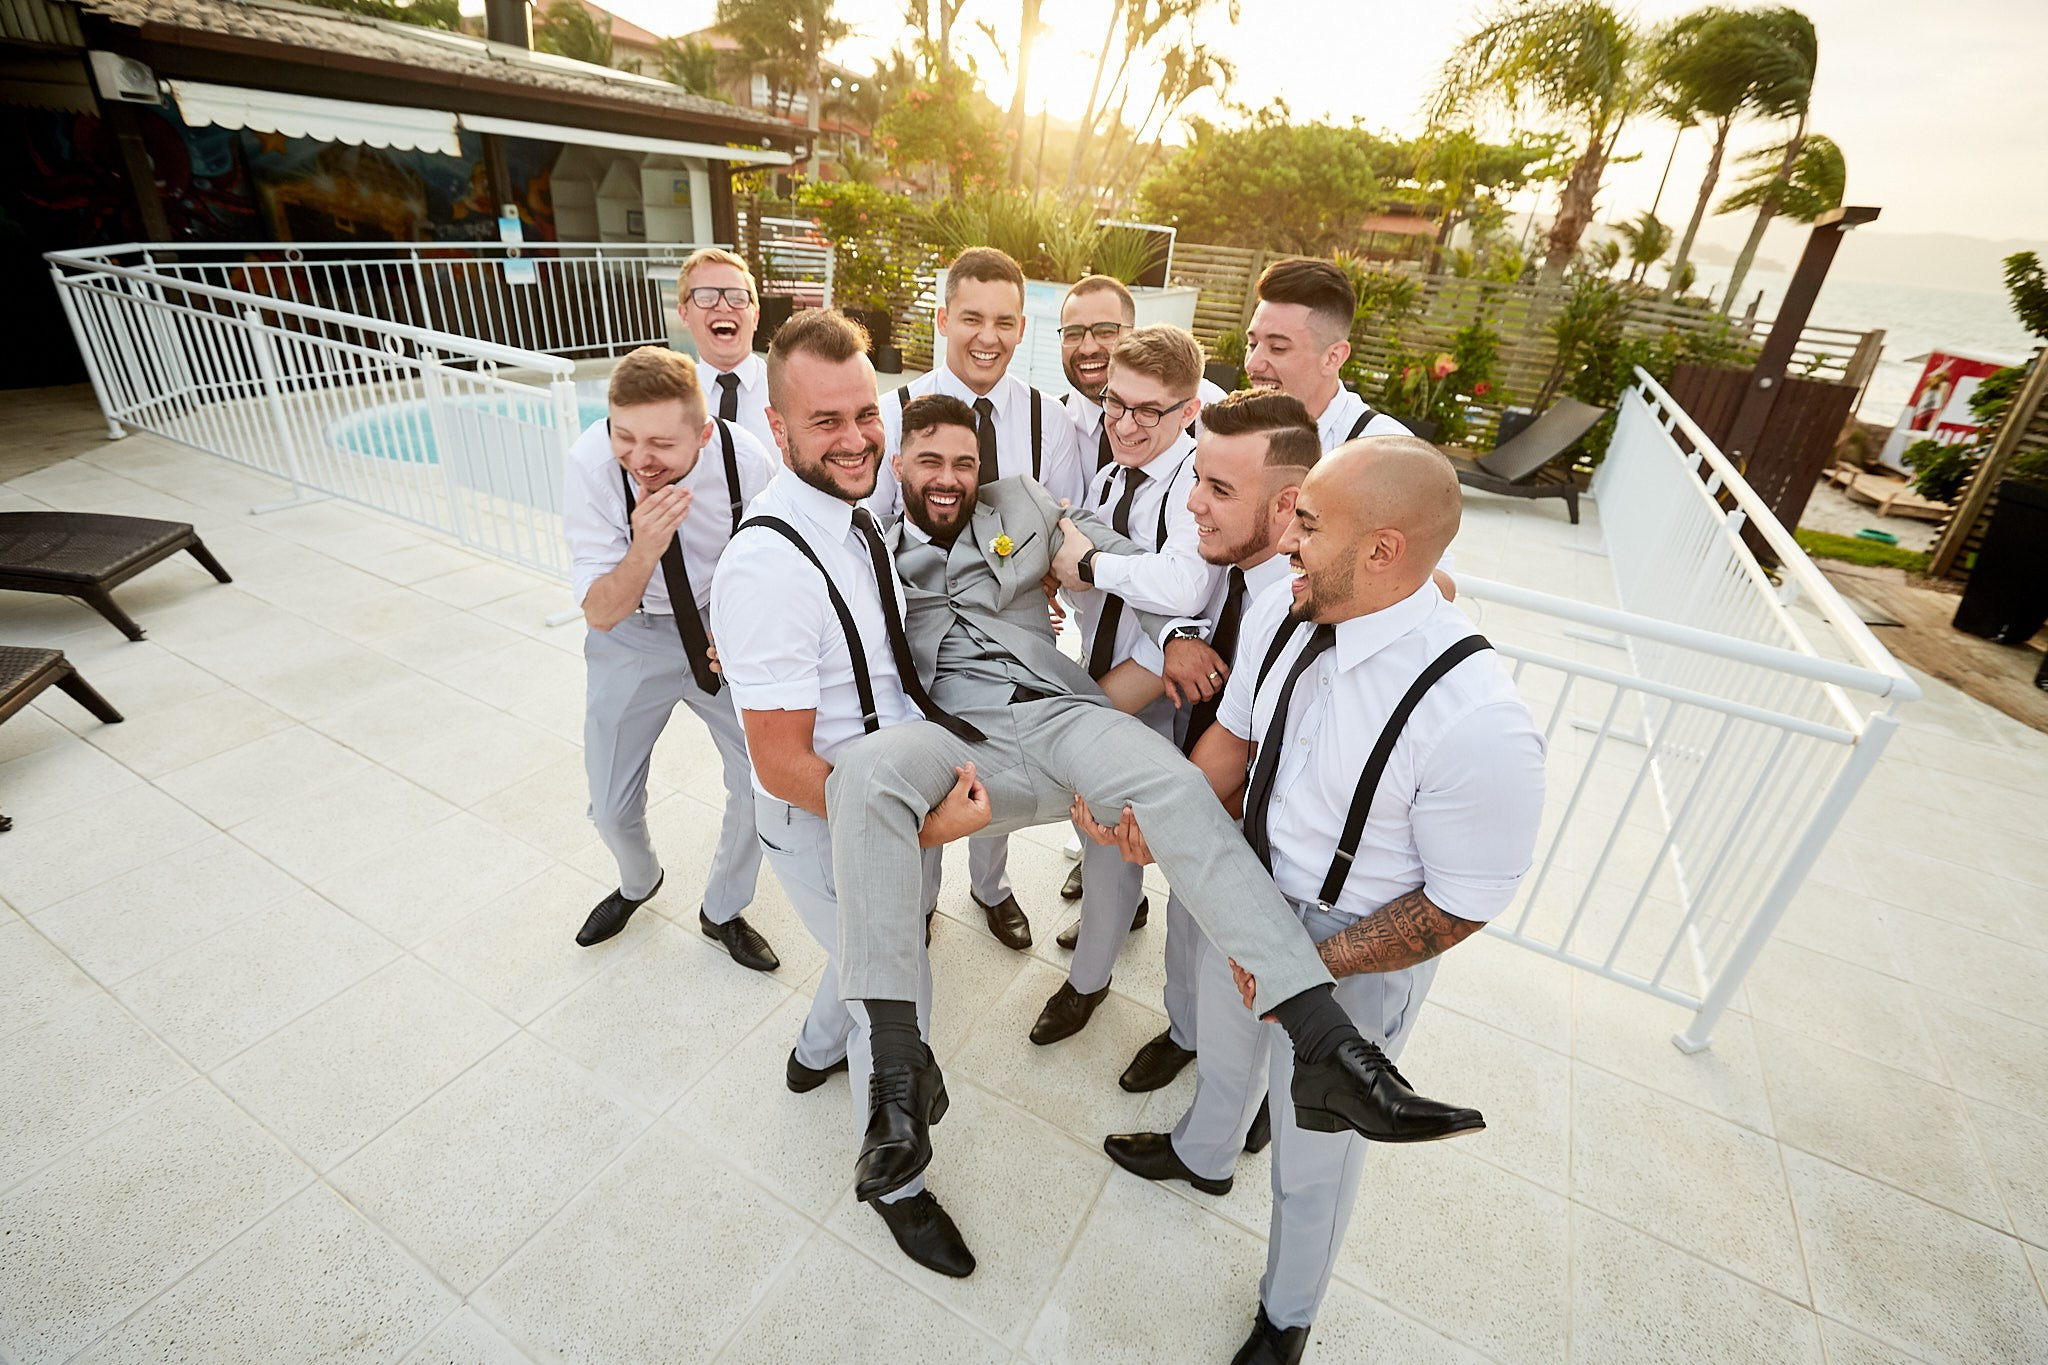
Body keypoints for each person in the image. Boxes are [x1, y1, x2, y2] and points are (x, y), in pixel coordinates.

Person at [780, 310, 1485, 1215]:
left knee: (1178, 783)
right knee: (867, 774)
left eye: (963, 462)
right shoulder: (865, 544)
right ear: (901, 465)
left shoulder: (1030, 507)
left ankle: (1324, 1041)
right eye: (928, 461)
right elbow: (826, 632)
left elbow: (1159, 568)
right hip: (959, 736)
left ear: (983, 466)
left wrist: (1184, 632)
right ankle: (897, 1081)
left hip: (1065, 711)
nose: (947, 478)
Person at [1082, 436, 1546, 1365]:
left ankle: (1288, 1313)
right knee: (1224, 1053)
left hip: (1359, 955)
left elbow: (1456, 908)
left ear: (1383, 550)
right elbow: (1233, 745)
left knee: (1315, 1152)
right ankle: (1205, 1155)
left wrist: (1303, 969)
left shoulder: (1481, 722)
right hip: (1244, 888)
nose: (1286, 535)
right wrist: (1160, 814)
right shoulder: (1285, 615)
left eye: (1311, 522)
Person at [710, 311, 989, 1279]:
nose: (856, 438)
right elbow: (783, 761)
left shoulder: (860, 512)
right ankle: (898, 1180)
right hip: (829, 814)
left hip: (892, 794)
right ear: (778, 431)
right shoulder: (765, 564)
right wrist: (912, 816)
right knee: (894, 989)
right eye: (824, 422)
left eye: (864, 413)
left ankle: (814, 1045)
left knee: (894, 942)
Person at [1093, 389, 1322, 1100]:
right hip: (1207, 814)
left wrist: (1155, 826)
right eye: (1196, 477)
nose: (1192, 504)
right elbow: (1177, 610)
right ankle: (1182, 1032)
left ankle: (1247, 1103)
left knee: (1248, 994)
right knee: (1184, 941)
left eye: (1218, 487)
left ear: (1286, 506)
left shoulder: (1297, 603)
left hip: (1264, 844)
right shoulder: (1231, 564)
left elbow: (1244, 749)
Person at [867, 246, 1088, 954]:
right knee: (930, 766)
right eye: (970, 318)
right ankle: (920, 900)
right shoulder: (890, 411)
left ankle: (991, 887)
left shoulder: (1049, 419)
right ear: (942, 319)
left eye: (1002, 321)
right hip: (921, 636)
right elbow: (867, 526)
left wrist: (1046, 581)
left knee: (1006, 766)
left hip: (1015, 636)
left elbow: (1061, 522)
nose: (986, 336)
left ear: (1023, 328)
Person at [563, 346, 780, 973]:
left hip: (722, 627)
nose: (638, 458)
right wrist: (646, 543)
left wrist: (744, 630)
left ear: (704, 434)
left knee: (759, 781)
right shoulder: (591, 465)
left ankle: (724, 908)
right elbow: (600, 610)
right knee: (609, 802)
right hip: (630, 633)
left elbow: (772, 564)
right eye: (623, 436)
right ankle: (638, 880)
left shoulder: (746, 459)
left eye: (659, 442)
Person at [1031, 324, 1218, 1049]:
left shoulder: (1197, 485)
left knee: (1141, 840)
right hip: (1108, 666)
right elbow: (1080, 558)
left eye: (1150, 410)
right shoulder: (1109, 475)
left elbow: (1184, 581)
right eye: (1116, 402)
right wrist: (1058, 576)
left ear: (1189, 410)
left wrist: (1091, 569)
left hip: (1169, 700)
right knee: (1104, 835)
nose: (1126, 423)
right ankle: (1094, 968)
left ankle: (1162, 1016)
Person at [1059, 273, 1227, 472]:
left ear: (1133, 333)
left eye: (1105, 332)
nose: (1088, 348)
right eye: (1073, 334)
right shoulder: (1053, 421)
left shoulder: (1207, 406)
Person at [677, 247, 777, 454]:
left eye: (737, 297)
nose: (723, 307)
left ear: (755, 316)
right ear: (684, 314)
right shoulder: (671, 399)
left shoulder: (788, 390)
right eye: (705, 297)